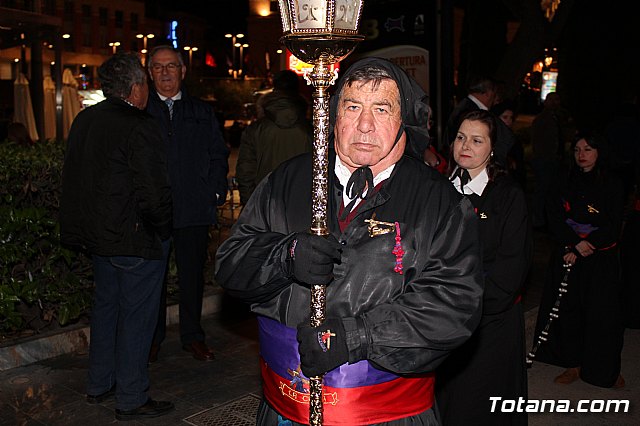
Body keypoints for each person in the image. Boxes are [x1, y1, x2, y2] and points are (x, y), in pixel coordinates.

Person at [215, 57, 484, 425]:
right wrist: (283, 256)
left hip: (385, 415)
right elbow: (231, 265)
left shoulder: (439, 203)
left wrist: (357, 336)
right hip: (285, 409)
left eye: (382, 109)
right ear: (333, 115)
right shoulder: (287, 181)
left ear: (403, 119)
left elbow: (454, 304)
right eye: (353, 106)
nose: (365, 125)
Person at [59, 52, 174, 420]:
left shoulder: (85, 119)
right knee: (137, 318)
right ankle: (131, 396)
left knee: (106, 310)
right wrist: (162, 227)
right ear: (136, 87)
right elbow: (152, 192)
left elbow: (75, 178)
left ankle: (99, 382)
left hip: (98, 238)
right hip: (133, 238)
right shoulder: (139, 124)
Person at [436, 110, 532, 425]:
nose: (465, 145)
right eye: (461, 137)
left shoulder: (508, 195)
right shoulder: (438, 188)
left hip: (489, 321)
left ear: (493, 149)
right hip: (437, 316)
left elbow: (511, 269)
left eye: (477, 140)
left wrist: (464, 305)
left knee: (477, 406)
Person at [146, 45, 230, 362]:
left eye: (171, 66)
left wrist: (215, 191)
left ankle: (192, 336)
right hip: (154, 211)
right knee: (152, 279)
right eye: (158, 67)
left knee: (192, 277)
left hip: (194, 209)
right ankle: (151, 338)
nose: (165, 72)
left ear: (183, 70)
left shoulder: (201, 111)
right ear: (149, 72)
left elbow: (217, 154)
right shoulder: (141, 112)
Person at [533, 132, 626, 388]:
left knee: (602, 316)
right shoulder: (564, 179)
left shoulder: (613, 182)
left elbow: (615, 221)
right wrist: (574, 242)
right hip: (570, 251)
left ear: (599, 152)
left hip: (600, 257)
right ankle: (572, 364)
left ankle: (604, 368)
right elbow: (553, 214)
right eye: (576, 150)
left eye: (587, 149)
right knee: (569, 313)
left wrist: (591, 243)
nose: (581, 155)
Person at [236, 69, 313, 205]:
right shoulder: (310, 130)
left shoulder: (256, 130)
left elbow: (245, 170)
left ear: (275, 87)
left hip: (264, 204)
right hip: (300, 204)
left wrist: (249, 205)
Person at [530, 92, 565, 229]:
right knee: (542, 190)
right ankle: (538, 219)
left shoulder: (556, 118)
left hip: (552, 159)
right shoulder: (542, 119)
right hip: (544, 160)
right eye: (552, 100)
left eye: (557, 100)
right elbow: (538, 142)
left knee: (550, 190)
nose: (555, 103)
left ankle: (545, 219)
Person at [442, 75, 498, 152]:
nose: (494, 98)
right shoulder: (471, 111)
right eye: (494, 94)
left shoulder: (466, 106)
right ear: (489, 93)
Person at [491, 100, 526, 190]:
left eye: (511, 118)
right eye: (505, 117)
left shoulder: (512, 138)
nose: (508, 121)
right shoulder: (491, 137)